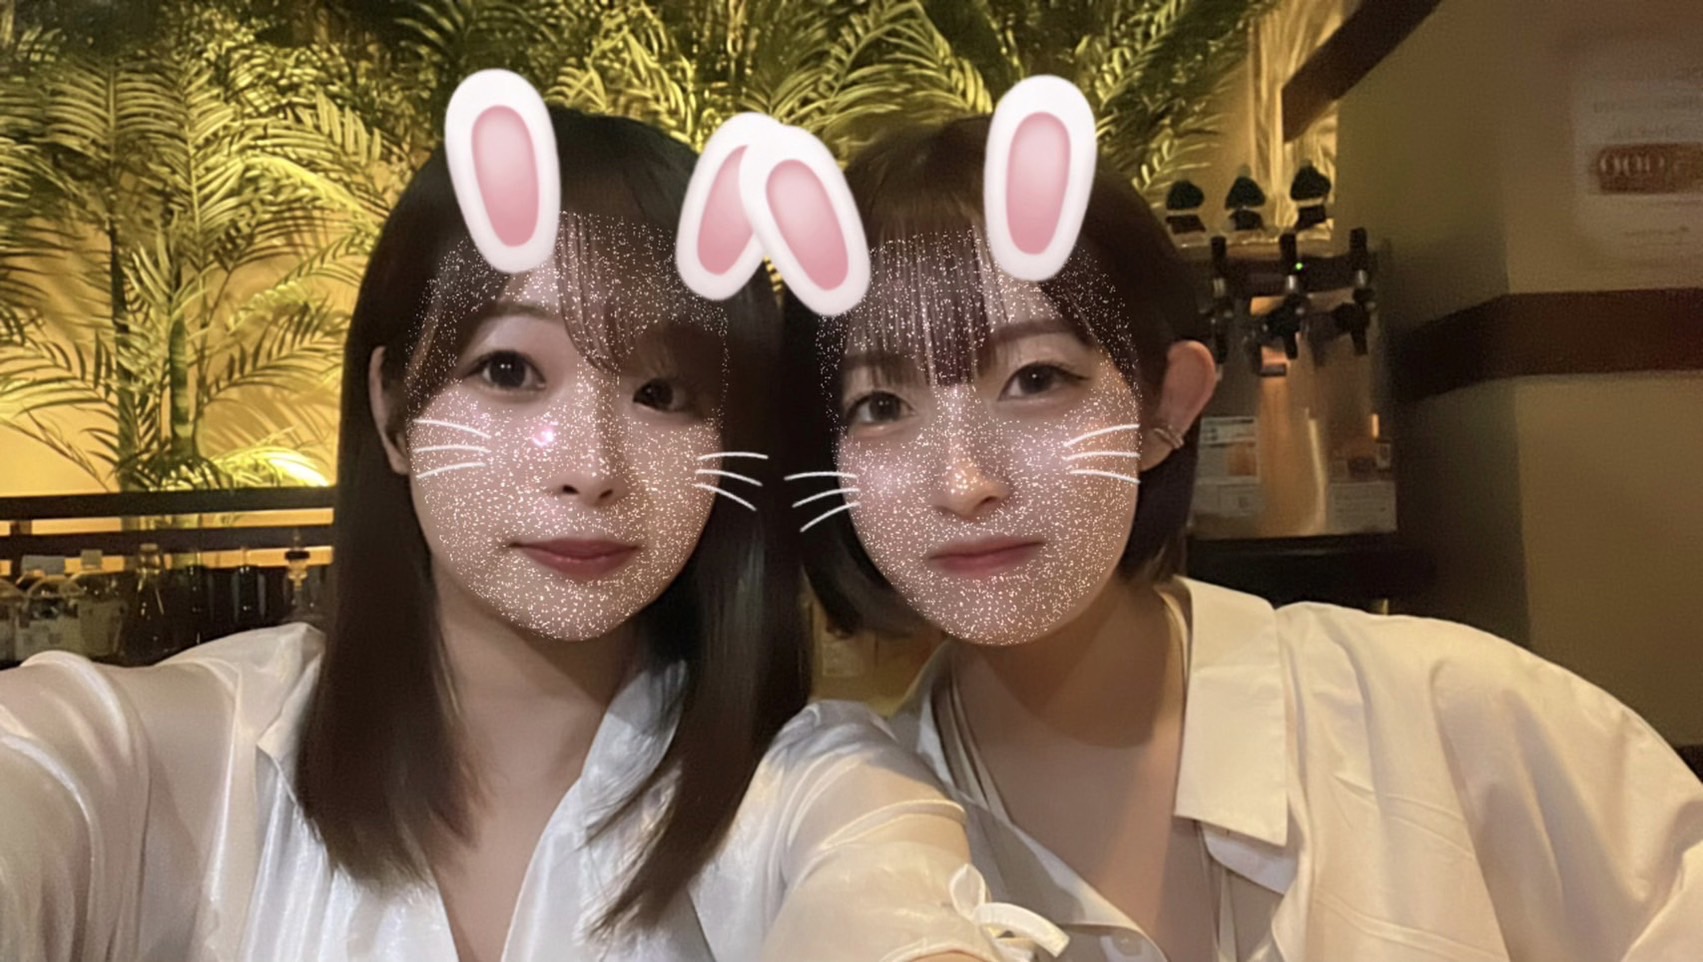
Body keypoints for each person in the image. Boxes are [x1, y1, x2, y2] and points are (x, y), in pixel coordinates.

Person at [0, 73, 1055, 962]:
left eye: (663, 393)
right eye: (507, 370)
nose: (589, 468)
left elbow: (896, 909)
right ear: (392, 409)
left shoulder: (818, 796)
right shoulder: (156, 760)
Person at [776, 78, 1703, 961]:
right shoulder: (837, 842)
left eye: (1035, 378)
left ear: (1167, 405)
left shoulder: (1443, 714)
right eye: (879, 406)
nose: (963, 483)